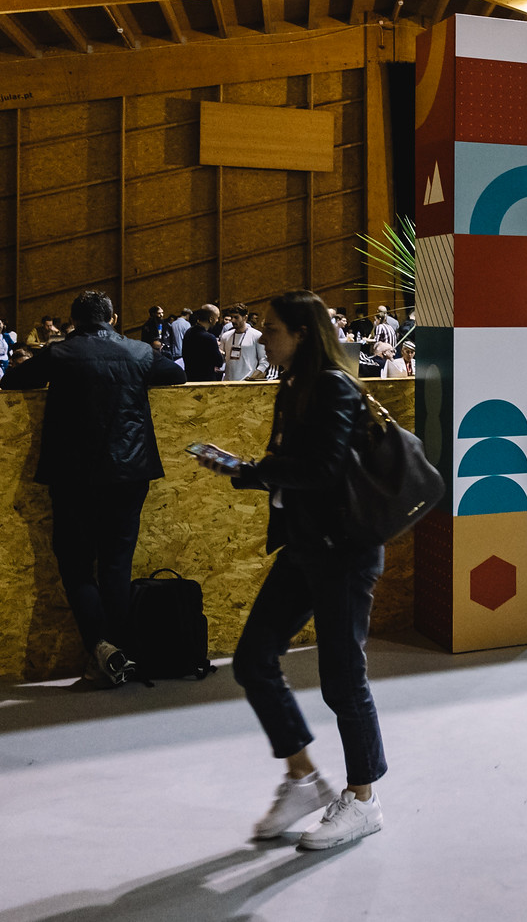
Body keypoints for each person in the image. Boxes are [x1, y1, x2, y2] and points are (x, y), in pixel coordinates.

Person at [197, 290, 386, 852]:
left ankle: (364, 800)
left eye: (272, 329)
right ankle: (303, 778)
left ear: (303, 333)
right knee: (255, 658)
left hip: (343, 551)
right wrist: (251, 471)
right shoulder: (294, 385)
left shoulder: (331, 385)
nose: (263, 337)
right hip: (307, 546)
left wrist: (255, 471)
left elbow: (324, 469)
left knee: (342, 677)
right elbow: (298, 465)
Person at [4, 290, 186, 687]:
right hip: (129, 471)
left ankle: (104, 650)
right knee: (117, 567)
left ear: (74, 320)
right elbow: (177, 374)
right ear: (114, 318)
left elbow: (11, 379)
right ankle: (117, 651)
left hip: (74, 475)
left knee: (74, 564)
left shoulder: (61, 354)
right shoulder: (138, 352)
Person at [221, 304, 267, 382]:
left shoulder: (256, 335)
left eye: (236, 317)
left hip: (247, 383)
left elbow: (264, 360)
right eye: (231, 317)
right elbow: (222, 359)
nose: (232, 320)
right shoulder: (225, 336)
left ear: (245, 317)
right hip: (228, 382)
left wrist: (254, 376)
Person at [183, 305, 226, 382]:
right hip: (206, 380)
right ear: (211, 319)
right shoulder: (209, 338)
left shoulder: (188, 332)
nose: (217, 320)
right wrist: (221, 352)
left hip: (190, 378)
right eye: (217, 317)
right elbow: (219, 362)